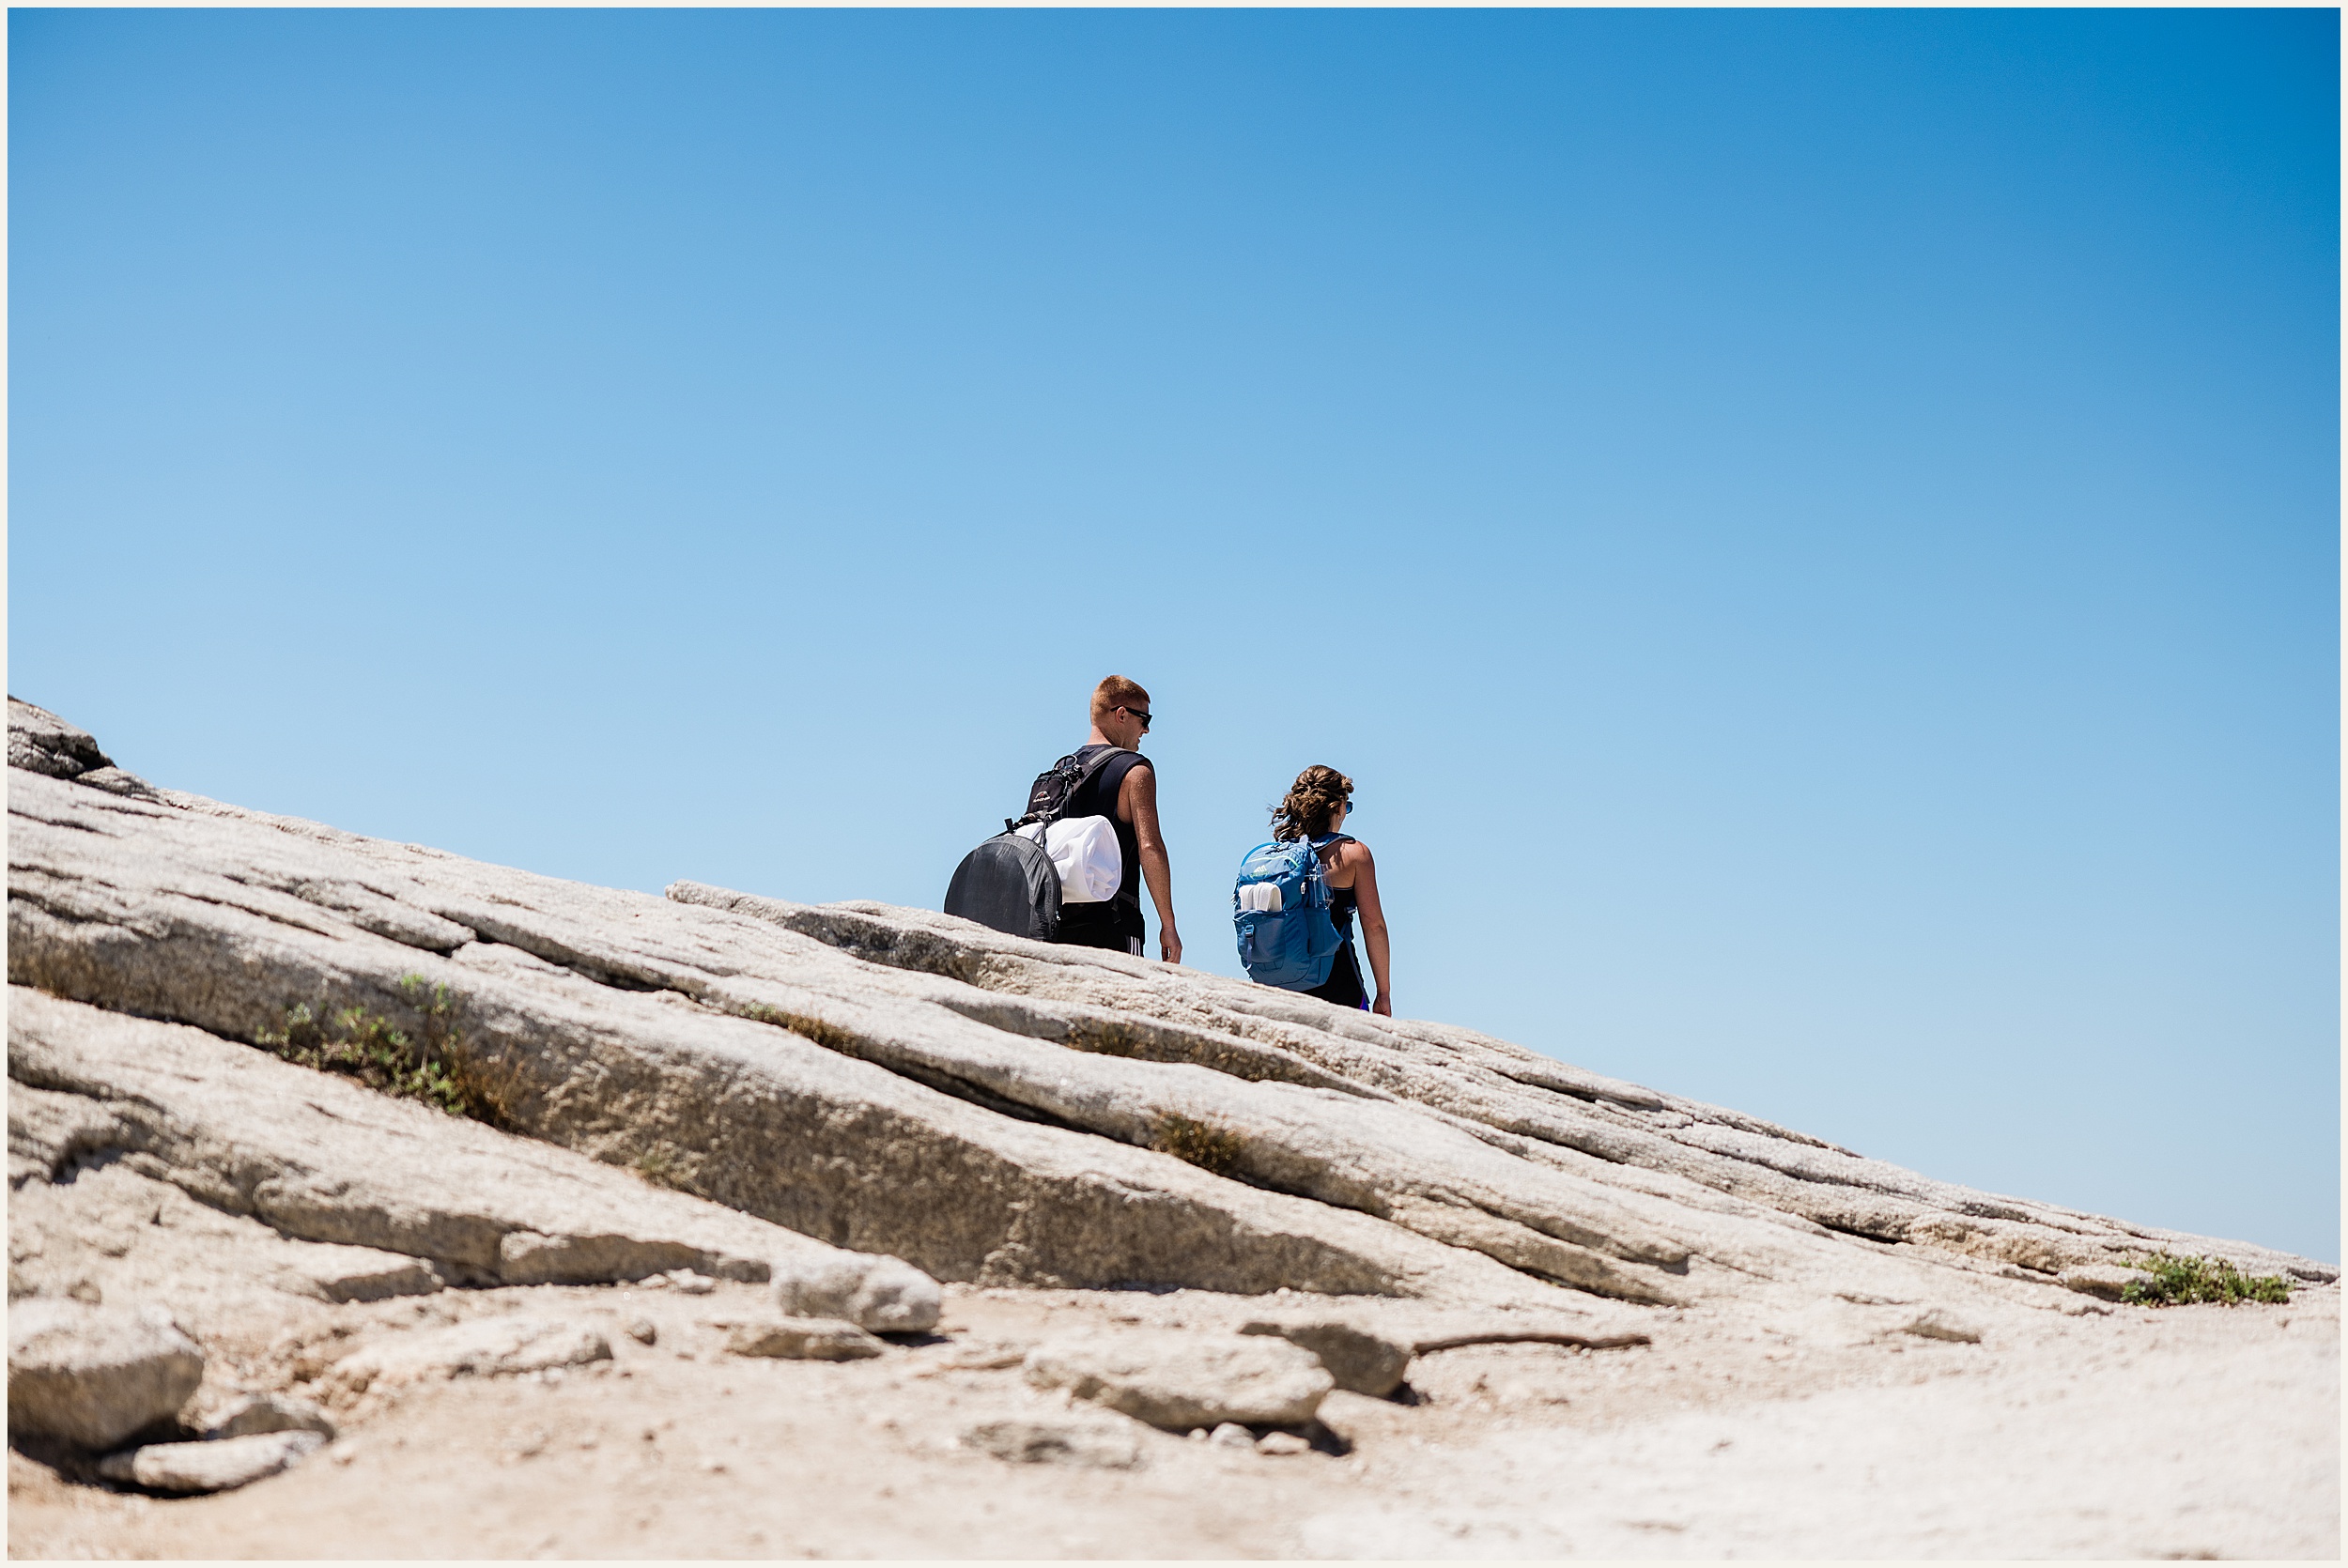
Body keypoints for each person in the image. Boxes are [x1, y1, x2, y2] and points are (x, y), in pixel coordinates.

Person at [1055, 675, 1182, 963]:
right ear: (1121, 714)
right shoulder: (1135, 770)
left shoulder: (1062, 772)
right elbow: (1150, 848)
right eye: (1144, 719)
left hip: (1057, 925)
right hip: (1113, 925)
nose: (1147, 730)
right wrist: (1168, 925)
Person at [1268, 765, 1390, 1015]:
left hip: (1280, 988)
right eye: (1347, 806)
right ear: (1337, 808)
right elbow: (1373, 925)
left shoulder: (1276, 858)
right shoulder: (1355, 854)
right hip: (1338, 986)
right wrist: (1384, 994)